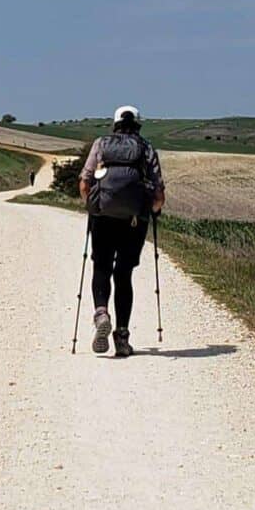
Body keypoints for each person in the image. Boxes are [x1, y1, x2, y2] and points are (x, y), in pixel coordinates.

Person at [79, 105, 165, 357]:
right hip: (134, 220)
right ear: (138, 124)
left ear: (115, 123)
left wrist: (92, 206)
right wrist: (153, 210)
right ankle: (122, 337)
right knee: (124, 274)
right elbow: (159, 194)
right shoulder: (146, 148)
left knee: (102, 266)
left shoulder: (101, 144)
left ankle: (101, 312)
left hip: (102, 217)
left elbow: (85, 181)